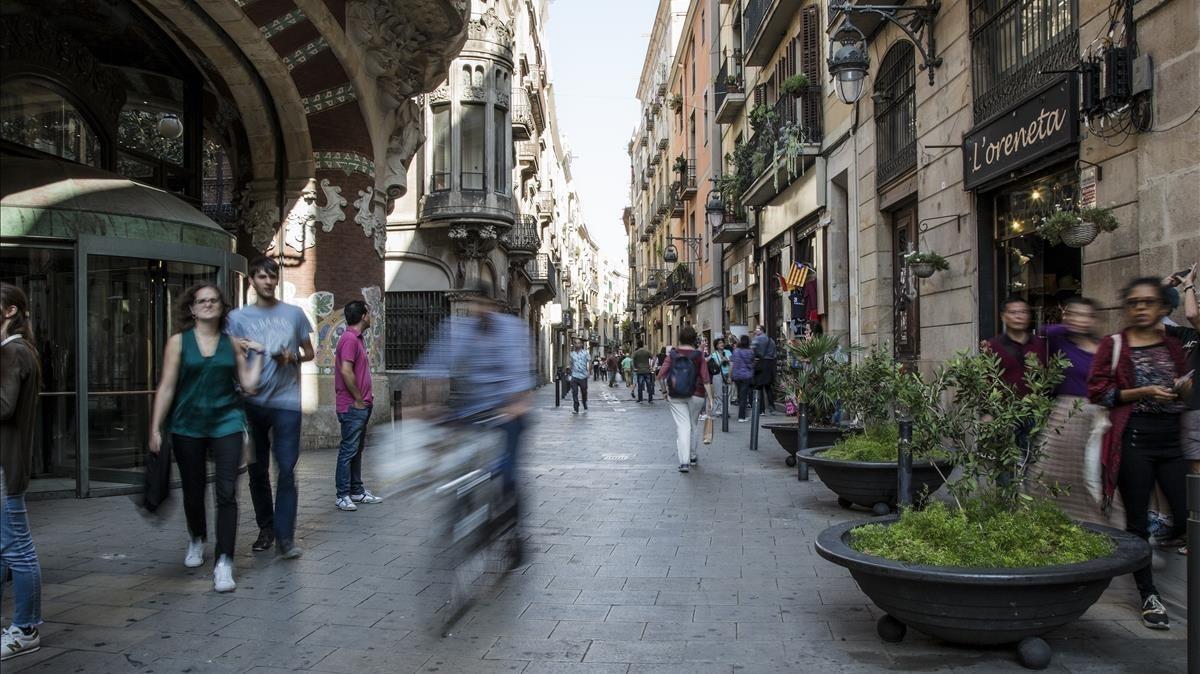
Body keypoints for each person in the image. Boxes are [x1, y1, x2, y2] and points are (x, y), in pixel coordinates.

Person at [1088, 277, 1192, 630]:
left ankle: (1152, 545)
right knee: (1136, 522)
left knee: (1185, 514)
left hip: (1170, 440)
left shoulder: (1174, 344)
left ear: (1163, 308)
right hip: (1132, 439)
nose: (1141, 307)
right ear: (1126, 308)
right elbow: (1099, 392)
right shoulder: (1113, 344)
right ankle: (1149, 594)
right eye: (1134, 302)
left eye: (1149, 301)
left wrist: (1182, 388)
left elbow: (1183, 391)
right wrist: (1142, 391)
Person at [149, 283, 264, 593]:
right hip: (187, 426)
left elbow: (249, 386)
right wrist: (155, 428)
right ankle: (197, 537)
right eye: (202, 301)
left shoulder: (232, 344)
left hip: (227, 423)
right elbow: (167, 387)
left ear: (221, 307)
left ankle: (224, 562)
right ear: (192, 308)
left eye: (214, 300)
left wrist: (260, 356)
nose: (208, 305)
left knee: (227, 492)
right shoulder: (178, 343)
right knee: (193, 489)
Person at [414, 282, 533, 556]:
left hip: (507, 412)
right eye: (473, 303)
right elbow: (433, 366)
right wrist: (422, 406)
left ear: (494, 305)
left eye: (483, 304)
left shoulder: (512, 331)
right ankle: (465, 515)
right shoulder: (458, 330)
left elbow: (520, 378)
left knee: (508, 474)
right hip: (470, 411)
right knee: (460, 469)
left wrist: (516, 404)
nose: (477, 310)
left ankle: (514, 532)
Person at [226, 257, 315, 559]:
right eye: (261, 276)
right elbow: (229, 353)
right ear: (251, 280)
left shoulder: (295, 314)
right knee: (257, 470)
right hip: (251, 404)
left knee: (287, 470)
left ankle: (285, 537)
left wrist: (293, 357)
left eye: (272, 277)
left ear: (277, 280)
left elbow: (310, 352)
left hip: (287, 403)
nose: (267, 281)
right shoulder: (237, 318)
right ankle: (266, 527)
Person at [1032, 297, 1106, 523]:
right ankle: (1054, 520)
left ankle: (1097, 523)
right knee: (1051, 471)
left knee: (1093, 474)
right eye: (1074, 314)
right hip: (1065, 414)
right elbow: (1041, 329)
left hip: (1099, 416)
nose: (1080, 320)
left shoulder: (1105, 347)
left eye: (1085, 315)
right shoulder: (1060, 341)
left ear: (1094, 319)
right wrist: (1069, 323)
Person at [1, 284, 44, 660]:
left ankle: (27, 628)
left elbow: (3, 406)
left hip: (6, 467)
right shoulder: (16, 350)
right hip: (5, 465)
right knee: (4, 548)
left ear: (10, 311)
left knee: (19, 550)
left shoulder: (13, 351)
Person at [333, 300, 383, 512]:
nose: (370, 317)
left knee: (356, 450)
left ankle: (357, 490)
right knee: (348, 450)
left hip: (359, 405)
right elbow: (346, 371)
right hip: (353, 406)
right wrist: (359, 400)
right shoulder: (350, 339)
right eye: (369, 313)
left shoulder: (357, 339)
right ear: (363, 316)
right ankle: (342, 495)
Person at [658, 326, 713, 472]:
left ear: (680, 338)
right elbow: (705, 378)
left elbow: (661, 375)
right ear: (694, 339)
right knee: (693, 425)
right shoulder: (698, 355)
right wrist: (711, 399)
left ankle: (684, 462)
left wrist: (664, 392)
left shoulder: (673, 354)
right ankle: (693, 456)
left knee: (683, 426)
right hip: (697, 394)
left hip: (676, 394)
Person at [1163, 264, 1199, 474]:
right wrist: (1162, 287)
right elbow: (1149, 320)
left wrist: (1189, 286)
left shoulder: (1195, 323)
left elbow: (1192, 315)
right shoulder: (1186, 335)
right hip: (1185, 413)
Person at [985, 297, 1047, 395]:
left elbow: (1048, 377)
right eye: (1013, 312)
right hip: (1005, 407)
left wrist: (1040, 370)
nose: (1019, 316)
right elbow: (985, 381)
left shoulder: (1038, 343)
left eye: (1023, 312)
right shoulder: (993, 345)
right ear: (1003, 317)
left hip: (1036, 405)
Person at [750, 326, 777, 414]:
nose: (755, 330)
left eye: (757, 329)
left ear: (761, 330)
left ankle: (761, 410)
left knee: (759, 387)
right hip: (769, 365)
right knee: (768, 387)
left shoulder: (757, 339)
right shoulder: (771, 340)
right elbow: (774, 354)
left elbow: (751, 350)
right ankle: (772, 407)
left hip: (760, 364)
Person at [731, 335, 755, 422]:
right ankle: (741, 416)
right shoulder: (750, 352)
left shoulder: (736, 351)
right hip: (746, 376)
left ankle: (742, 414)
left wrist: (731, 375)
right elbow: (752, 363)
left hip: (737, 376)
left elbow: (733, 363)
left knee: (740, 395)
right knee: (744, 396)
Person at [707, 338, 730, 418]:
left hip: (727, 375)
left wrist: (728, 361)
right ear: (716, 345)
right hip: (718, 375)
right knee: (718, 394)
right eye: (719, 343)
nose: (722, 344)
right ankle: (718, 411)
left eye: (722, 342)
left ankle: (726, 410)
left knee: (728, 394)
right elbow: (714, 367)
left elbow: (732, 363)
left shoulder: (728, 352)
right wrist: (721, 362)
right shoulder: (714, 354)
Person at [570, 339, 590, 414]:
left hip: (583, 376)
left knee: (584, 392)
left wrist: (589, 371)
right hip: (574, 376)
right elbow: (571, 363)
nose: (577, 344)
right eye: (576, 343)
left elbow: (589, 362)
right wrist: (570, 371)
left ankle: (584, 402)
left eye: (579, 343)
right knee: (574, 392)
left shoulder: (586, 353)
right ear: (574, 345)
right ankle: (576, 408)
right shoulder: (572, 354)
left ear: (581, 344)